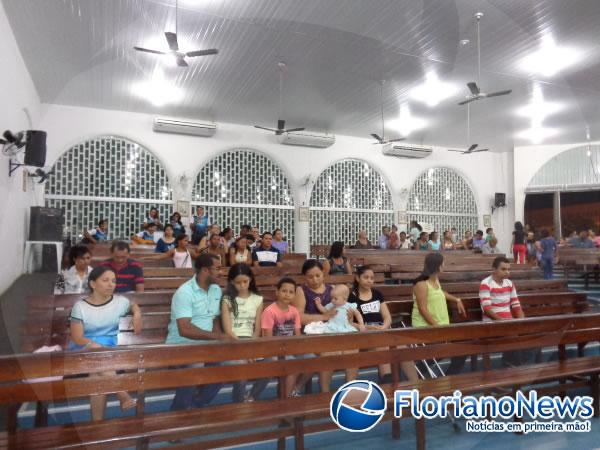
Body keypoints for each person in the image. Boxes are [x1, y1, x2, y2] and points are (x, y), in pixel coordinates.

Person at [69, 266, 141, 420]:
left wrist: (137, 313)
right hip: (83, 348)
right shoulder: (80, 307)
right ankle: (121, 393)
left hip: (109, 349)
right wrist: (93, 345)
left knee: (97, 372)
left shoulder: (120, 302)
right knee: (97, 353)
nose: (111, 284)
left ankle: (97, 423)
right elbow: (77, 337)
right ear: (93, 284)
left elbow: (133, 305)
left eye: (114, 281)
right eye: (106, 280)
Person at [166, 254, 231, 411]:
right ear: (205, 270)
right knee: (196, 365)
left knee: (227, 366)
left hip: (205, 345)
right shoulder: (185, 292)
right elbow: (185, 329)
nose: (221, 272)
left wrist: (217, 342)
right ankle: (178, 413)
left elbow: (214, 318)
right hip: (180, 346)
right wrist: (218, 336)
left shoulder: (215, 290)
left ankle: (195, 406)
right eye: (218, 268)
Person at [349, 265, 418, 383]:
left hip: (380, 332)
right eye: (366, 277)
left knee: (402, 347)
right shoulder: (351, 297)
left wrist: (383, 327)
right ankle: (387, 383)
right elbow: (348, 322)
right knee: (383, 346)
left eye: (372, 278)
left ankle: (416, 384)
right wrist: (365, 327)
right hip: (363, 336)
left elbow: (387, 317)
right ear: (357, 278)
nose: (369, 280)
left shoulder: (377, 294)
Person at [411, 253, 467, 375]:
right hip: (426, 327)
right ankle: (418, 373)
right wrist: (437, 328)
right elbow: (422, 309)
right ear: (438, 266)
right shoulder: (420, 283)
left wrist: (457, 299)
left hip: (441, 326)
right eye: (443, 263)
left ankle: (449, 380)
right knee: (445, 351)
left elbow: (440, 292)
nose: (444, 265)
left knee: (462, 350)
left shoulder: (435, 279)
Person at [221, 263, 266, 402]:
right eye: (238, 282)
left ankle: (251, 396)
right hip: (232, 342)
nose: (242, 285)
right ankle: (239, 402)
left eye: (245, 281)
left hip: (251, 341)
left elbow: (257, 329)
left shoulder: (258, 299)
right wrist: (245, 350)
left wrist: (251, 348)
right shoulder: (227, 299)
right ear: (231, 282)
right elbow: (228, 330)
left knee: (272, 362)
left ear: (251, 280)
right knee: (241, 366)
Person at [293, 259, 338, 392]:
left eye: (318, 275)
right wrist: (323, 317)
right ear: (304, 277)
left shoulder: (333, 290)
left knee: (347, 349)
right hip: (310, 334)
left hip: (331, 332)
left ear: (323, 274)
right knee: (329, 352)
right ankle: (323, 390)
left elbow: (339, 311)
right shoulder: (301, 290)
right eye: (310, 276)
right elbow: (299, 318)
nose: (315, 279)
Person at [261, 277, 311, 397]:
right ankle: (286, 399)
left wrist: (296, 349)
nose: (287, 294)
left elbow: (297, 336)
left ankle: (295, 390)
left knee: (312, 358)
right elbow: (268, 340)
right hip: (275, 350)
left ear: (294, 295)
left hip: (291, 348)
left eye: (291, 292)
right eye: (284, 291)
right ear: (277, 292)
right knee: (292, 364)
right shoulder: (269, 311)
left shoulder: (294, 312)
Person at [479, 257, 533, 367]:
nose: (507, 272)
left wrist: (522, 323)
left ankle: (510, 365)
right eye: (503, 269)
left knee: (534, 338)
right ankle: (514, 368)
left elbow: (516, 306)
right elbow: (487, 310)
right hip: (492, 325)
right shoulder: (486, 283)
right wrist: (504, 323)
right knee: (515, 340)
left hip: (509, 325)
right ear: (494, 269)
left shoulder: (509, 283)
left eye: (508, 269)